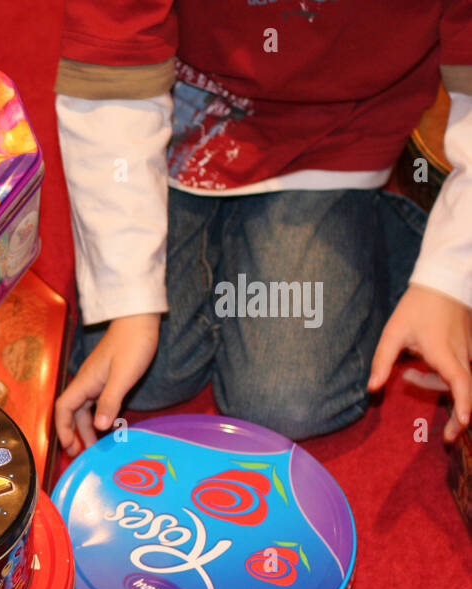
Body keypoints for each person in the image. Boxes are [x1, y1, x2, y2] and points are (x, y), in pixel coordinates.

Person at [52, 1, 472, 454]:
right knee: (148, 376)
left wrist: (446, 279)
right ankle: (248, 251)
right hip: (174, 106)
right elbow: (113, 71)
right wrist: (129, 298)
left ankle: (388, 240)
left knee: (285, 401)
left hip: (337, 133)